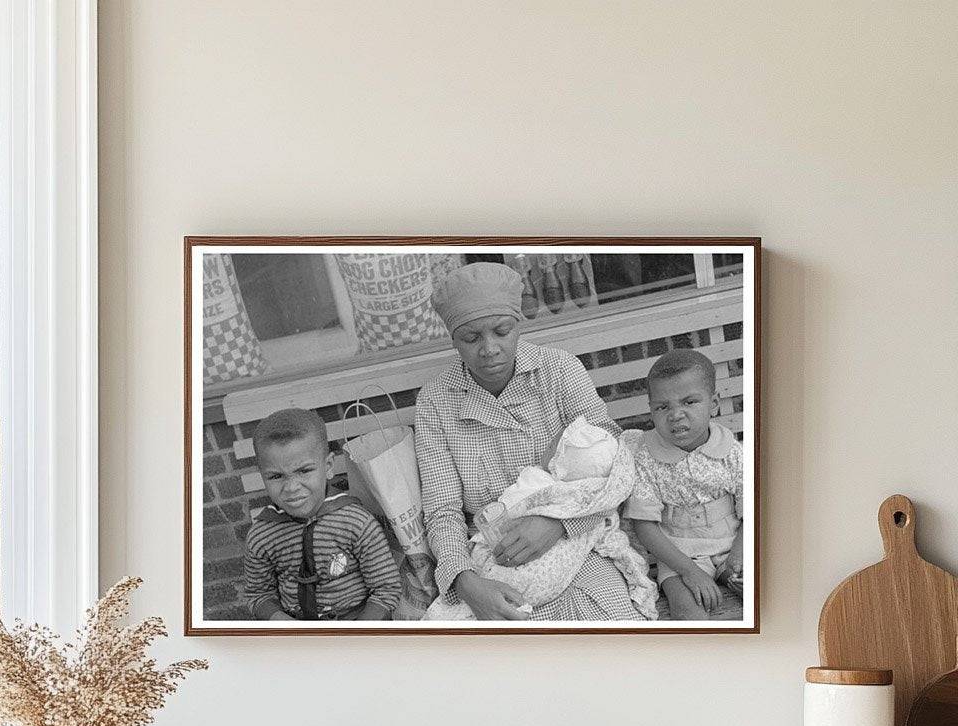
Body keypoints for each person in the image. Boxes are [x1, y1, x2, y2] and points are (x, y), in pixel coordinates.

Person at [414, 261, 646, 622]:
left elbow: (614, 461)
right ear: (453, 339)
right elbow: (443, 512)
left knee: (608, 634)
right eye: (471, 338)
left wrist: (559, 524)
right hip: (492, 559)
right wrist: (466, 583)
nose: (489, 349)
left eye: (501, 331)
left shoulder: (558, 370)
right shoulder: (436, 401)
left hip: (579, 542)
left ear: (519, 324)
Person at [243, 408, 402, 621]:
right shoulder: (261, 536)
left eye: (304, 471)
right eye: (276, 476)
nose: (291, 488)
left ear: (328, 466)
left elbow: (386, 588)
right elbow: (258, 593)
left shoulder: (357, 523)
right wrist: (281, 622)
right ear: (262, 476)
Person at [623, 349, 744, 620]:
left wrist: (739, 552)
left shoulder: (732, 452)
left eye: (689, 402)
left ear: (713, 403)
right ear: (651, 411)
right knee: (688, 612)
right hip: (679, 555)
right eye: (663, 407)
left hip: (732, 542)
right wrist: (689, 571)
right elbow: (644, 526)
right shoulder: (645, 458)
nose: (676, 415)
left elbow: (753, 509)